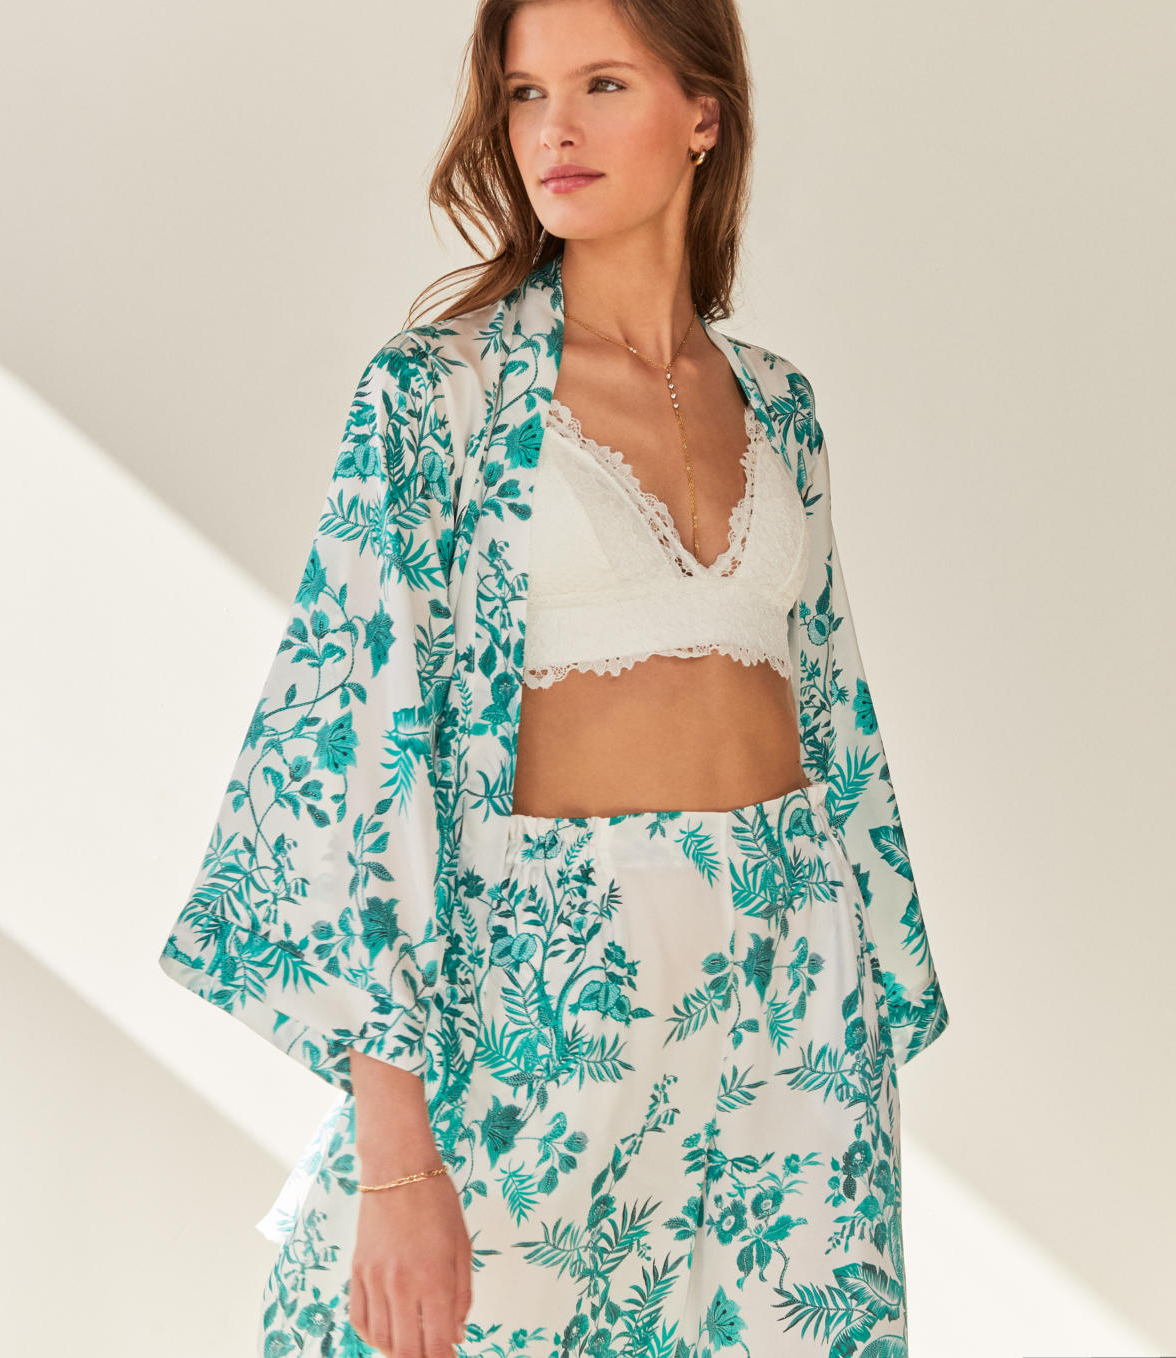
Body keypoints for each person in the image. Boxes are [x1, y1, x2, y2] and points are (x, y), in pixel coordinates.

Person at [157, 1, 951, 1354]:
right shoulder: (440, 397)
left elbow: (834, 719)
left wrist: (861, 1003)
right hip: (553, 982)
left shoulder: (780, 405)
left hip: (789, 987)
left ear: (703, 113)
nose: (554, 131)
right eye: (525, 94)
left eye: (602, 85)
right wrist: (397, 1165)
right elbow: (354, 758)